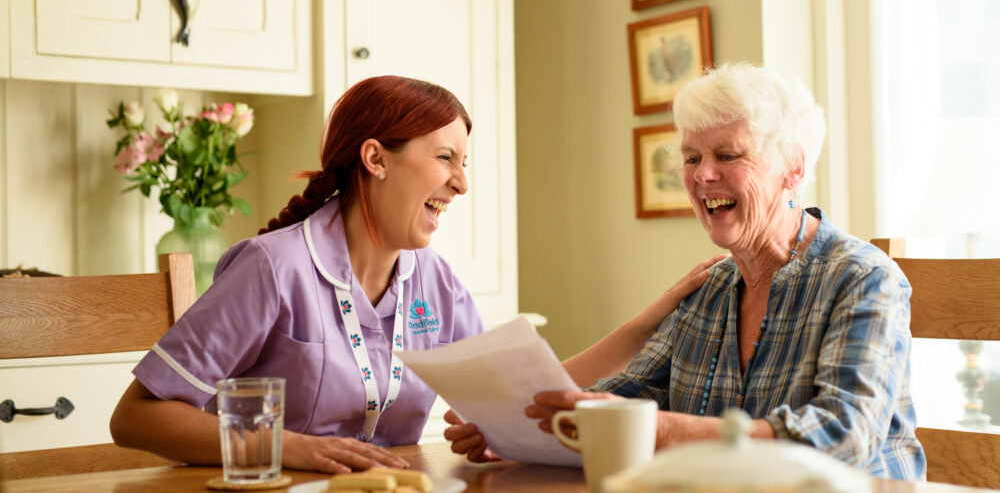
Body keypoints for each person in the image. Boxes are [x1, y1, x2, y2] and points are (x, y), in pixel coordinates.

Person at [109, 75, 716, 475]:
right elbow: (135, 417)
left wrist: (652, 317)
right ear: (375, 159)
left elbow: (525, 397)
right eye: (444, 157)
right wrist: (293, 447)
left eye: (464, 161)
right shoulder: (273, 267)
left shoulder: (435, 280)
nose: (462, 182)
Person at [446, 63, 926, 480]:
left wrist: (663, 429)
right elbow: (625, 397)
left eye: (727, 155)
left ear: (793, 168)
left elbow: (845, 435)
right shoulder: (710, 288)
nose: (701, 175)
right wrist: (524, 433)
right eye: (692, 157)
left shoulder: (862, 277)